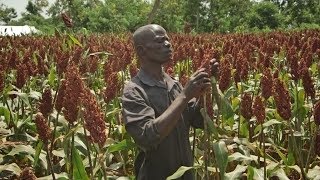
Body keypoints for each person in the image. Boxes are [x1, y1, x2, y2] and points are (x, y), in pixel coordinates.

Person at [121, 24, 219, 180]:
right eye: (160, 41)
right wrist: (185, 95)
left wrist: (206, 88)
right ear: (141, 51)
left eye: (167, 40)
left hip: (185, 174)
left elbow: (199, 121)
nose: (168, 44)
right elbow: (147, 137)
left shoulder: (174, 84)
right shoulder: (134, 90)